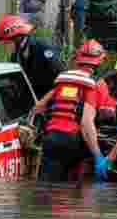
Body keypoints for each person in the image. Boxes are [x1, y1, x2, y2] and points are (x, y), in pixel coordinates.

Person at [27, 39, 110, 182]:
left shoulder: (63, 79)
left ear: (78, 59)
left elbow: (38, 107)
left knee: (48, 190)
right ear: (100, 61)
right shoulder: (97, 83)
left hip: (51, 139)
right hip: (74, 140)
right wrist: (97, 155)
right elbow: (86, 122)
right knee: (77, 192)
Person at [0, 13, 64, 99]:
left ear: (17, 39)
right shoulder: (16, 56)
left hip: (53, 101)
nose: (4, 47)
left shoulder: (43, 50)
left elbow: (63, 79)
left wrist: (44, 101)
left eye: (6, 43)